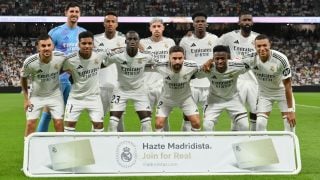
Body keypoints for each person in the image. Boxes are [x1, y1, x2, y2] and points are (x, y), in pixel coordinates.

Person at [37, 2, 86, 132]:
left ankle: (60, 142)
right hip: (57, 79)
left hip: (74, 81)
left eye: (77, 12)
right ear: (66, 13)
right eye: (72, 11)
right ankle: (39, 142)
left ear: (79, 14)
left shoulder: (83, 32)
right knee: (48, 112)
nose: (74, 14)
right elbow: (45, 54)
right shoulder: (56, 32)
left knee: (66, 114)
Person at [105, 31, 156, 132]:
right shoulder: (117, 55)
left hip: (139, 91)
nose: (132, 41)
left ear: (139, 41)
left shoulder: (147, 56)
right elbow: (103, 63)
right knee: (112, 123)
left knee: (147, 123)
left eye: (135, 39)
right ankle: (111, 146)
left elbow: (156, 65)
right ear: (125, 41)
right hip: (121, 90)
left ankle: (145, 145)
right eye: (130, 39)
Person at [243, 34, 296, 132]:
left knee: (289, 125)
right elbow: (232, 64)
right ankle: (265, 147)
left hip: (282, 92)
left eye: (264, 45)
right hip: (265, 93)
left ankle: (288, 147)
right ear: (255, 47)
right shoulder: (250, 58)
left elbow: (288, 85)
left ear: (269, 45)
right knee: (260, 124)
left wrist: (290, 110)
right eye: (259, 46)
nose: (262, 48)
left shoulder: (281, 59)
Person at [218, 11, 259, 131]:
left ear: (252, 22)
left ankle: (253, 136)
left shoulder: (257, 37)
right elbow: (215, 45)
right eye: (244, 20)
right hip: (237, 80)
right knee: (237, 111)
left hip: (254, 80)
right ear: (239, 22)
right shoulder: (229, 36)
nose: (247, 22)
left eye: (249, 20)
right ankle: (234, 136)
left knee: (255, 111)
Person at [179, 12, 218, 131]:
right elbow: (181, 60)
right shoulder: (185, 41)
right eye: (197, 21)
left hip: (210, 84)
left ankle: (209, 145)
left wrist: (210, 60)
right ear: (193, 24)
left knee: (209, 120)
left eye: (202, 21)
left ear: (207, 24)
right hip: (191, 85)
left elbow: (221, 56)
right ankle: (186, 145)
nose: (200, 23)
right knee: (188, 118)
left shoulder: (214, 39)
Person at [20, 34, 65, 137]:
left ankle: (61, 148)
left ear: (53, 46)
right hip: (36, 96)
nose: (46, 48)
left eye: (49, 45)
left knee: (58, 123)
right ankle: (28, 151)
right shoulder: (29, 62)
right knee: (30, 124)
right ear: (38, 47)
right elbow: (23, 78)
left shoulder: (61, 57)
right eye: (43, 46)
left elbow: (70, 67)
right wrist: (26, 99)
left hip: (55, 95)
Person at [63, 31, 105, 132]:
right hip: (76, 98)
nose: (87, 46)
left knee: (99, 126)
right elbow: (60, 69)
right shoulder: (70, 60)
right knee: (69, 127)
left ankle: (96, 147)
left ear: (93, 44)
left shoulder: (99, 56)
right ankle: (71, 147)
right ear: (79, 44)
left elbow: (114, 54)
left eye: (90, 43)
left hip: (94, 97)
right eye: (84, 43)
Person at [200, 45, 249, 131]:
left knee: (244, 126)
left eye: (223, 58)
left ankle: (238, 143)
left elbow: (252, 62)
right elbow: (192, 73)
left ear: (228, 58)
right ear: (213, 58)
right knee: (207, 126)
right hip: (214, 100)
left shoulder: (237, 66)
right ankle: (212, 144)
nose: (220, 61)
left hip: (233, 99)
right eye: (217, 58)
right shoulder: (207, 68)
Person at [153, 45, 201, 132]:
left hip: (185, 99)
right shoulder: (161, 65)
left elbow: (205, 67)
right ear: (169, 58)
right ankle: (161, 144)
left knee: (196, 123)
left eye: (180, 58)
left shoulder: (192, 66)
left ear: (184, 58)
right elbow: (144, 65)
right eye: (174, 58)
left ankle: (193, 144)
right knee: (158, 124)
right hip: (166, 99)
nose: (177, 61)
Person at [140, 17, 175, 131]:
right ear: (150, 28)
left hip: (164, 85)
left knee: (163, 117)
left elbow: (173, 62)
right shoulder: (142, 43)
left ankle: (165, 144)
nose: (156, 29)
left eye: (159, 26)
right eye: (154, 26)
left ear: (163, 28)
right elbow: (139, 63)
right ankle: (144, 143)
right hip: (146, 85)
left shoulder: (170, 42)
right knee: (145, 118)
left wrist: (156, 65)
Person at [94, 12, 126, 132]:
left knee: (118, 121)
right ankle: (95, 144)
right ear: (104, 23)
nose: (110, 24)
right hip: (99, 86)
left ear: (117, 24)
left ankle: (120, 145)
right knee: (97, 120)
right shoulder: (96, 40)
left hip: (117, 87)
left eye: (113, 21)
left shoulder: (123, 40)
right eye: (108, 21)